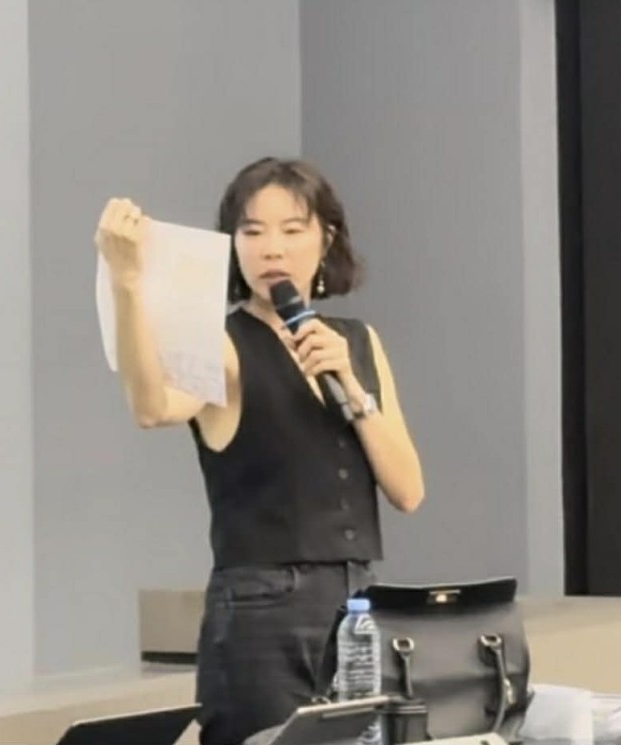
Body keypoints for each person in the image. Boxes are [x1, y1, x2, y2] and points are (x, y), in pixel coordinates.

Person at [95, 157, 425, 745]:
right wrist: (127, 286)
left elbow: (408, 491)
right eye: (251, 231)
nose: (272, 248)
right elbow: (152, 406)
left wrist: (354, 392)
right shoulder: (223, 346)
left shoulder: (356, 343)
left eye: (292, 229)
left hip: (356, 606)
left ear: (326, 240)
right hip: (262, 611)